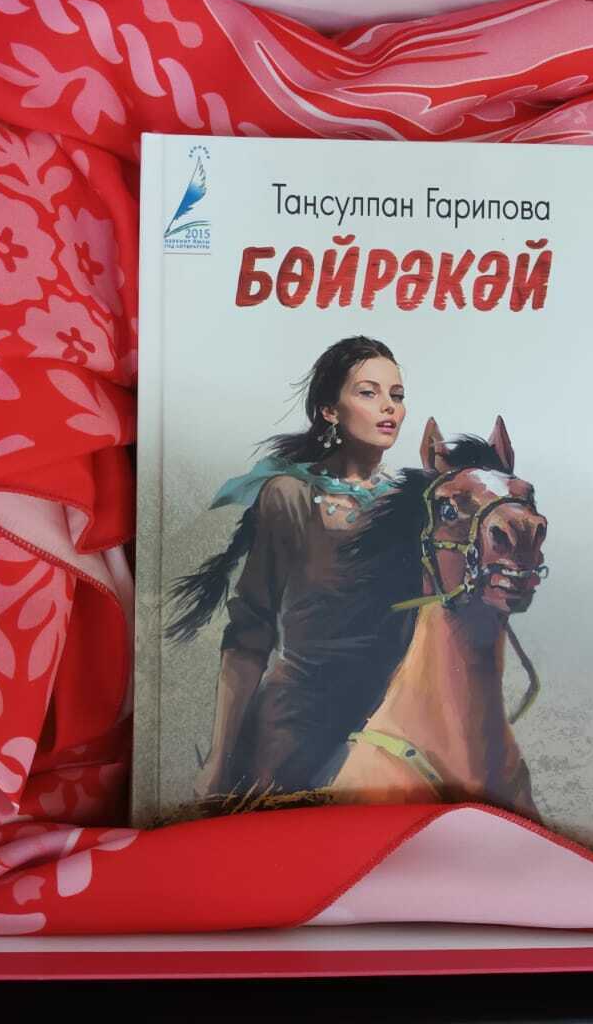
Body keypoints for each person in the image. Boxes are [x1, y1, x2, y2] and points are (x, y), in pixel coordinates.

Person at [167, 336, 410, 799]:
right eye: (368, 392)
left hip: (388, 723)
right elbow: (250, 632)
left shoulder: (412, 505)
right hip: (297, 724)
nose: (389, 407)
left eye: (396, 395)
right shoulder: (289, 496)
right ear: (329, 411)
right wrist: (218, 760)